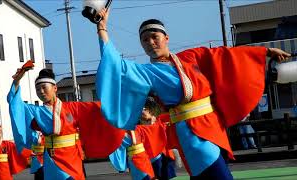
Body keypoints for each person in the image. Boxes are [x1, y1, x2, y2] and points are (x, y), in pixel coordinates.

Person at [95, 9, 291, 179]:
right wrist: (102, 29)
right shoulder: (146, 72)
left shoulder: (190, 57)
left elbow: (224, 55)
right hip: (192, 134)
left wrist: (264, 51)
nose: (150, 42)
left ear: (166, 38)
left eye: (155, 36)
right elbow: (116, 66)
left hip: (213, 128)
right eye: (145, 40)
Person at [8, 67, 125, 180]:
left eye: (44, 87)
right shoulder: (36, 111)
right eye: (38, 89)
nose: (41, 92)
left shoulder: (73, 107)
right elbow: (15, 103)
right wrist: (17, 81)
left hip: (72, 157)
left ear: (55, 88)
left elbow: (98, 109)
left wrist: (121, 107)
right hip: (51, 160)